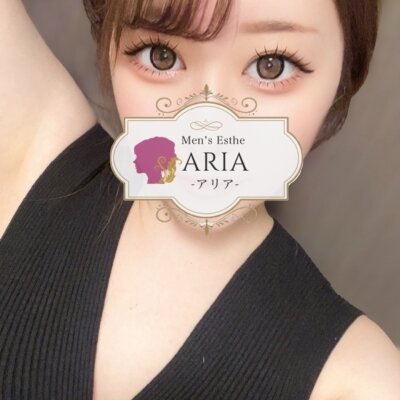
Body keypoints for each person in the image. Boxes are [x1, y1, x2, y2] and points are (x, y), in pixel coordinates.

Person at [0, 0, 399, 399]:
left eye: (271, 66)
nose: (208, 115)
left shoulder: (360, 380)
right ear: (109, 45)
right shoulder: (34, 145)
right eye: (161, 55)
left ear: (344, 70)